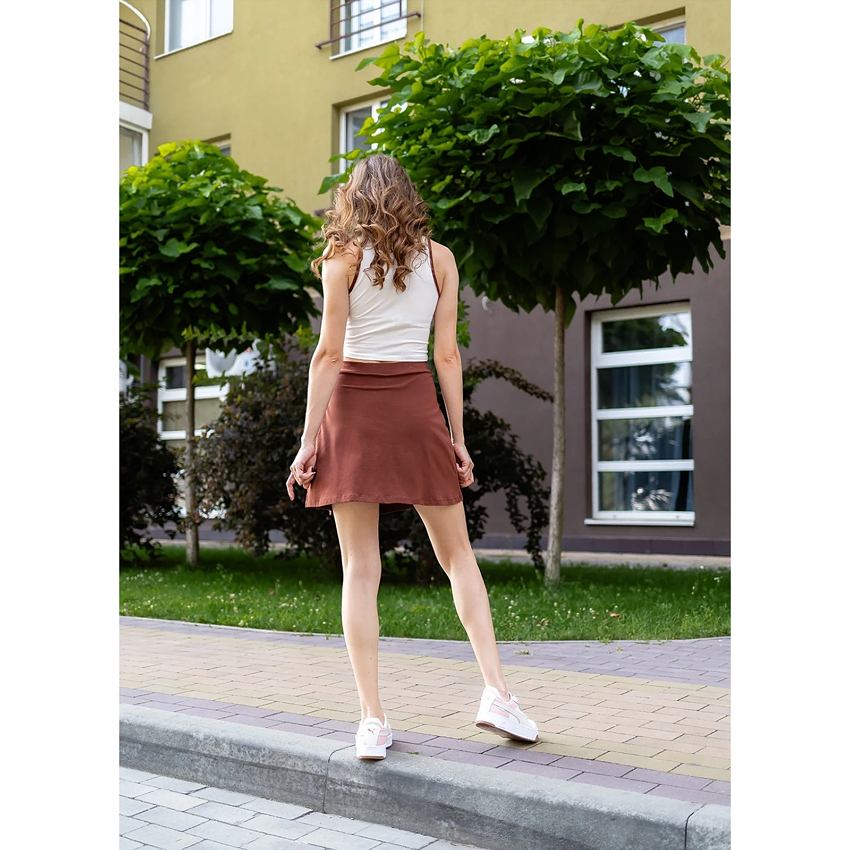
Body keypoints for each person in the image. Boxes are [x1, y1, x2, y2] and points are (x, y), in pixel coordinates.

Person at [286, 153, 538, 760]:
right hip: (414, 405)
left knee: (360, 568)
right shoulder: (440, 258)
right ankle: (497, 693)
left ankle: (372, 721)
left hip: (352, 409)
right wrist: (458, 438)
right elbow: (447, 355)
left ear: (353, 197)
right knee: (458, 556)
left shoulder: (342, 258)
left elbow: (328, 355)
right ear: (407, 196)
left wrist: (307, 440)